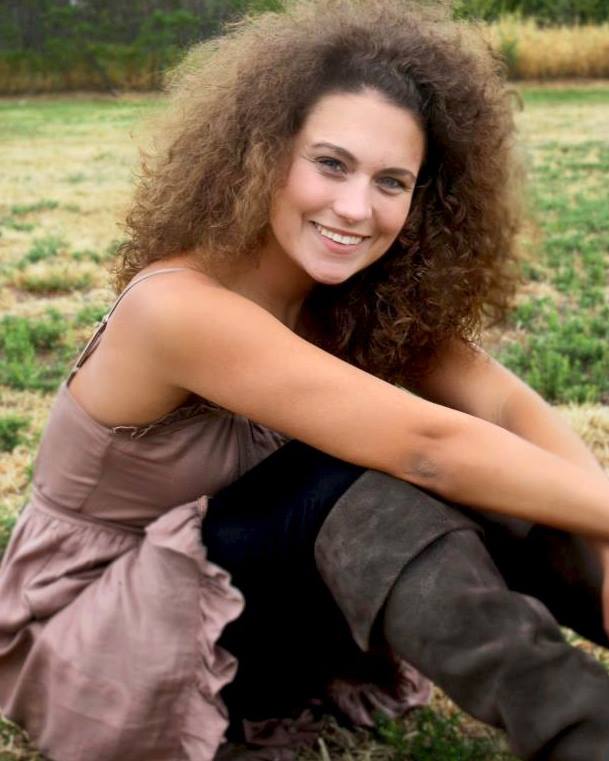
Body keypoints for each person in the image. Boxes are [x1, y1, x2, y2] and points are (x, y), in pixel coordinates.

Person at [1, 1, 609, 759]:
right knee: (360, 476)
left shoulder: (354, 299)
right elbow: (428, 447)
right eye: (330, 163)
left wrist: (603, 536)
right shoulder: (176, 308)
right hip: (106, 646)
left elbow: (505, 407)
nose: (355, 208)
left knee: (509, 475)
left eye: (392, 181)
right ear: (261, 153)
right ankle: (586, 733)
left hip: (257, 614)